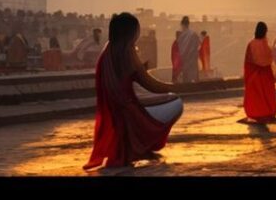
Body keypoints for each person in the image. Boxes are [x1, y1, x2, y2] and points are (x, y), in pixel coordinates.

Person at [84, 12, 183, 170]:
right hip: (129, 106)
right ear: (130, 33)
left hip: (114, 106)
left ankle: (135, 151)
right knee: (176, 103)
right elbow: (148, 82)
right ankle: (142, 148)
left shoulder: (106, 53)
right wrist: (173, 88)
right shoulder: (127, 52)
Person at [243, 22, 276, 123]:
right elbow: (269, 59)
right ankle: (266, 112)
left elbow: (248, 61)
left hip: (254, 75)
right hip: (265, 75)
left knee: (256, 95)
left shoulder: (251, 44)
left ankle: (255, 112)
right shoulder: (265, 44)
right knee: (265, 95)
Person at [176, 17, 200, 83]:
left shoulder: (181, 36)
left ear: (182, 25)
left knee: (185, 81)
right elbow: (197, 47)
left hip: (184, 62)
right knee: (193, 81)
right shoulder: (194, 34)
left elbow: (179, 50)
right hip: (192, 62)